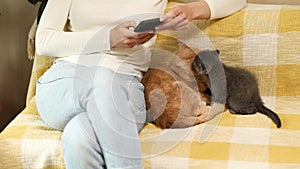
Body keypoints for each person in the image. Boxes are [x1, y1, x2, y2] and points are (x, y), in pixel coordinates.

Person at [35, 0, 246, 168]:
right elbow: (43, 41)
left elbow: (235, 1)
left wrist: (191, 10)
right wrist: (108, 38)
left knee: (79, 138)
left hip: (126, 85)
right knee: (103, 79)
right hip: (66, 81)